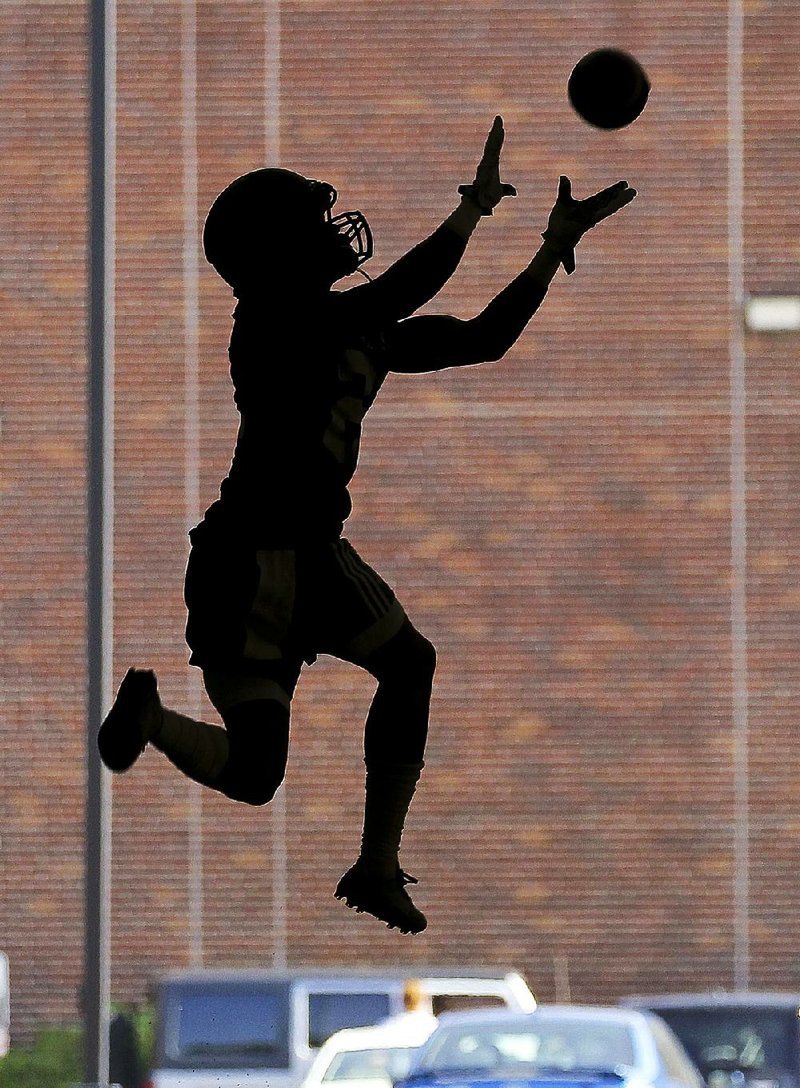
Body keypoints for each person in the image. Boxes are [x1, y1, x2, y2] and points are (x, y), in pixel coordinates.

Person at [98, 116, 636, 935]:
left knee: (258, 771)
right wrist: (473, 209)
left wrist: (547, 246)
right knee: (400, 670)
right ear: (279, 253)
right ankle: (375, 858)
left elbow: (481, 339)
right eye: (310, 226)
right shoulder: (278, 324)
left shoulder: (340, 325)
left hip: (259, 559)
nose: (332, 234)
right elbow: (405, 293)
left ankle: (161, 727)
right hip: (275, 550)